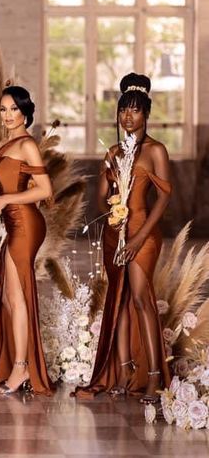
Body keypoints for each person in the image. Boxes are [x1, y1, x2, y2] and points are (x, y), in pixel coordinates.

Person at [75, 73, 171, 404]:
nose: (128, 118)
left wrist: (137, 237)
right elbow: (100, 198)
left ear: (146, 114)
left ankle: (154, 378)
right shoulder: (113, 152)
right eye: (123, 112)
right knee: (118, 300)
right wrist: (112, 206)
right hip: (114, 233)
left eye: (135, 111)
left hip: (143, 233)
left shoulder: (156, 151)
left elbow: (163, 199)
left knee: (141, 299)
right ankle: (124, 373)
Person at [0, 86, 56, 396]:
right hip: (13, 221)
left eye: (14, 109)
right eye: (3, 109)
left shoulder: (27, 144)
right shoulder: (5, 143)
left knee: (16, 298)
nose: (8, 115)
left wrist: (6, 199)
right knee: (7, 298)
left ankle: (21, 368)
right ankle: (18, 364)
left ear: (25, 111)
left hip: (26, 223)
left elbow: (45, 190)